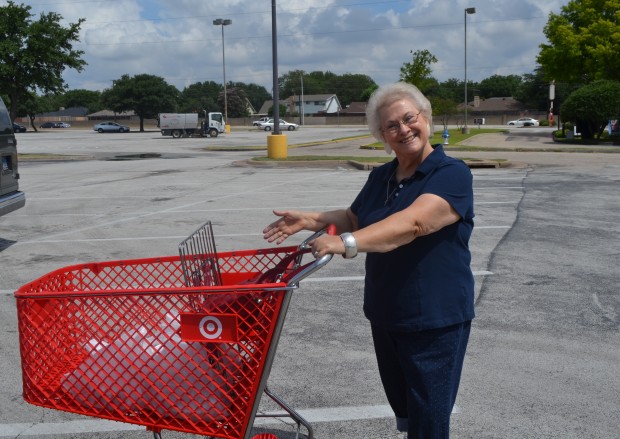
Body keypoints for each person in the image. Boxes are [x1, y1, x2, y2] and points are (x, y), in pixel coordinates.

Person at [263, 82, 475, 438]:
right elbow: (356, 216)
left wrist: (343, 243)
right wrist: (311, 220)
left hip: (433, 321)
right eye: (392, 126)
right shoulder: (382, 176)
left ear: (426, 118)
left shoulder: (451, 174)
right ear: (382, 135)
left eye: (410, 118)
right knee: (408, 413)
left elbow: (414, 222)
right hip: (387, 313)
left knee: (429, 418)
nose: (404, 129)